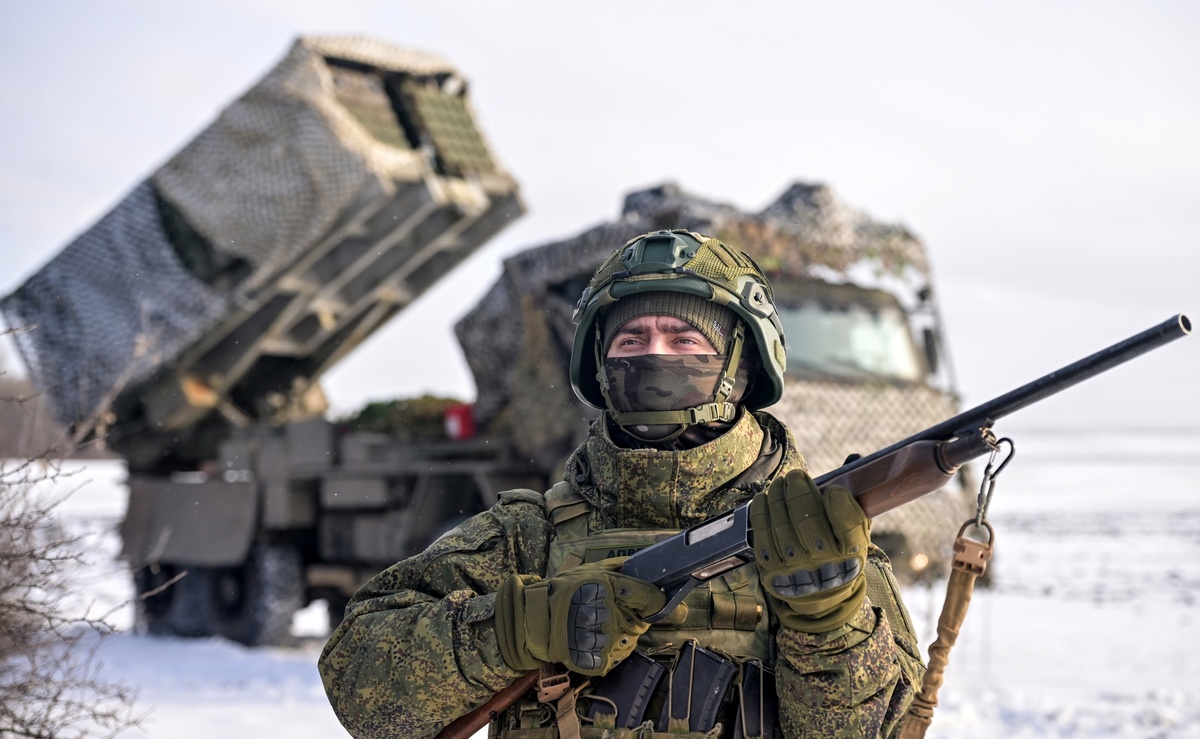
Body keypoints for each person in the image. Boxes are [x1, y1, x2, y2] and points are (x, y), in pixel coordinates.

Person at [319, 230, 927, 738]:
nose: (654, 355)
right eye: (631, 339)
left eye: (685, 339)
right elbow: (359, 686)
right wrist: (513, 630)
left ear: (743, 366)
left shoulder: (809, 540)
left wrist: (829, 623)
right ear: (601, 368)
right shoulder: (526, 538)